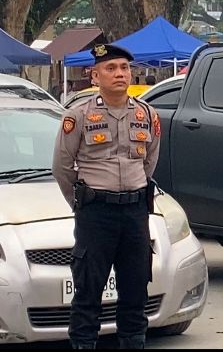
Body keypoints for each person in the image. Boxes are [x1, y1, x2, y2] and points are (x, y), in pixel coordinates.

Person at [52, 44, 161, 349]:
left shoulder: (147, 114)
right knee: (88, 293)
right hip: (95, 214)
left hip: (134, 214)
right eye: (111, 69)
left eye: (124, 68)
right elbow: (62, 166)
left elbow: (149, 161)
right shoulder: (78, 116)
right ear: (95, 75)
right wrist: (82, 203)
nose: (119, 74)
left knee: (135, 291)